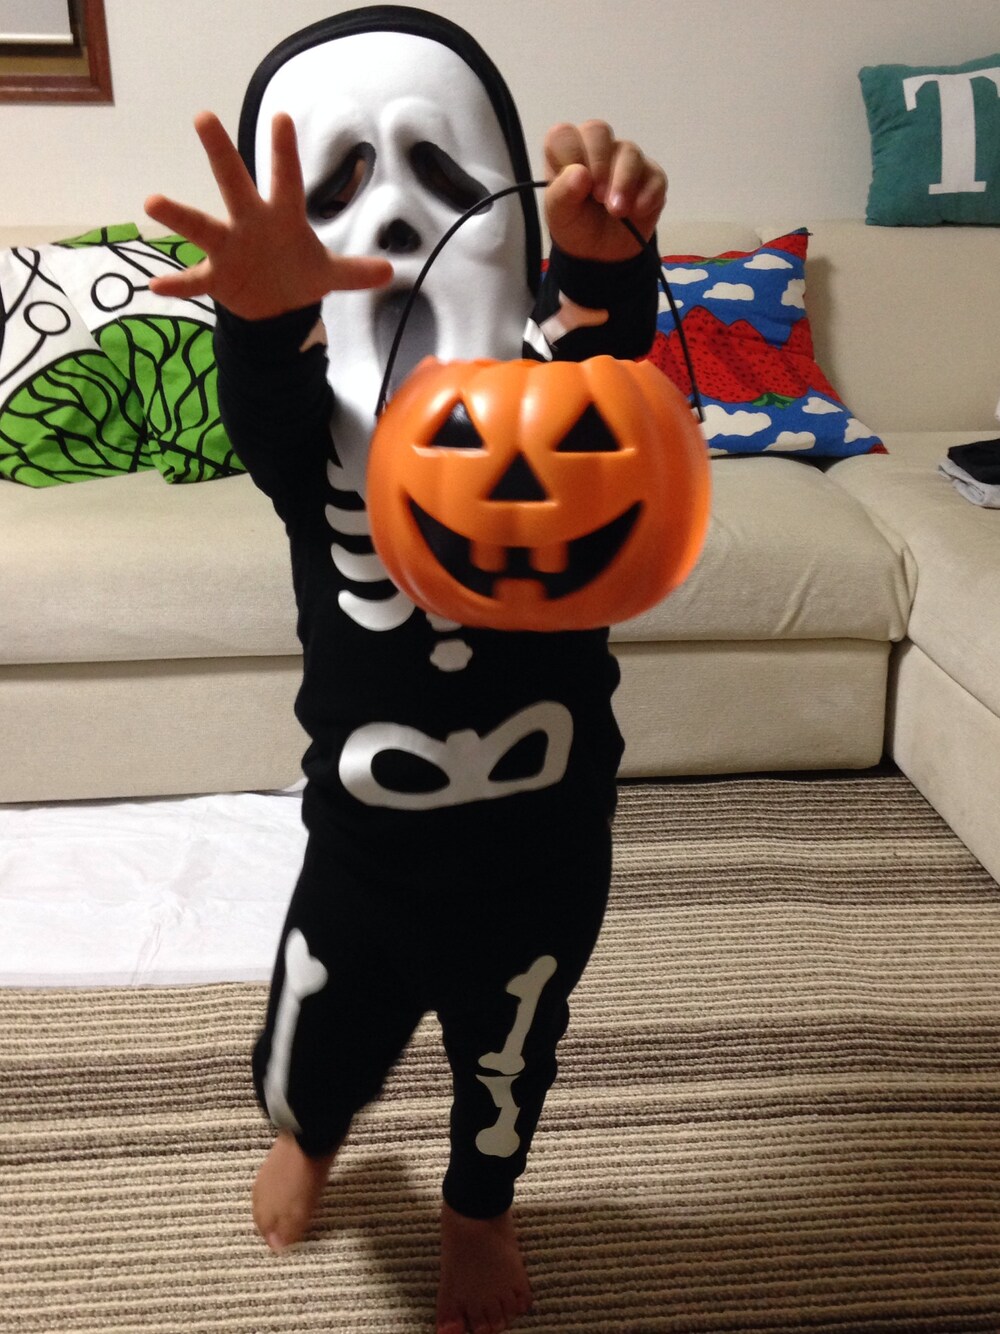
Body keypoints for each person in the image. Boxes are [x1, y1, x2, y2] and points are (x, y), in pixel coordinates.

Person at [145, 10, 665, 1333]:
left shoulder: (558, 402)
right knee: (314, 1032)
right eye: (338, 187)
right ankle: (309, 1135)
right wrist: (263, 317)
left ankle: (476, 1210)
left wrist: (602, 265)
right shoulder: (313, 441)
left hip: (549, 837)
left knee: (510, 1053)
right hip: (365, 844)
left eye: (439, 171)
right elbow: (264, 403)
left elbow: (604, 361)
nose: (391, 218)